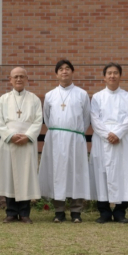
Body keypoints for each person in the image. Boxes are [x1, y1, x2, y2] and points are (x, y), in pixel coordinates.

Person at [39, 59, 91, 223]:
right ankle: (59, 210)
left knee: (76, 172)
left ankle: (76, 211)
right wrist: (58, 132)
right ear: (56, 74)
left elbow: (86, 118)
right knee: (57, 173)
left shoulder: (82, 94)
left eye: (67, 68)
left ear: (72, 72)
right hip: (55, 138)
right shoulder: (50, 95)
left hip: (75, 137)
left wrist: (75, 133)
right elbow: (47, 117)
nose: (64, 71)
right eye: (61, 69)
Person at [89, 63, 128, 224]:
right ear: (104, 77)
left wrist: (117, 133)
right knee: (101, 173)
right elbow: (94, 118)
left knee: (123, 173)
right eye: (109, 73)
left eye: (115, 73)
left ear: (120, 76)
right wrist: (106, 134)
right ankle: (104, 211)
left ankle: (120, 211)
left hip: (122, 140)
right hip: (102, 139)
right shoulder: (97, 97)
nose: (112, 76)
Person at [0, 67, 43, 224]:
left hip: (26, 144)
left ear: (27, 79)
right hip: (9, 143)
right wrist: (10, 135)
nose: (19, 79)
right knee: (9, 176)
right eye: (15, 77)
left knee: (26, 177)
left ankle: (24, 213)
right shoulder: (3, 99)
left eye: (22, 76)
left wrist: (28, 136)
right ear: (10, 79)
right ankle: (10, 213)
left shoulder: (34, 99)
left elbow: (38, 121)